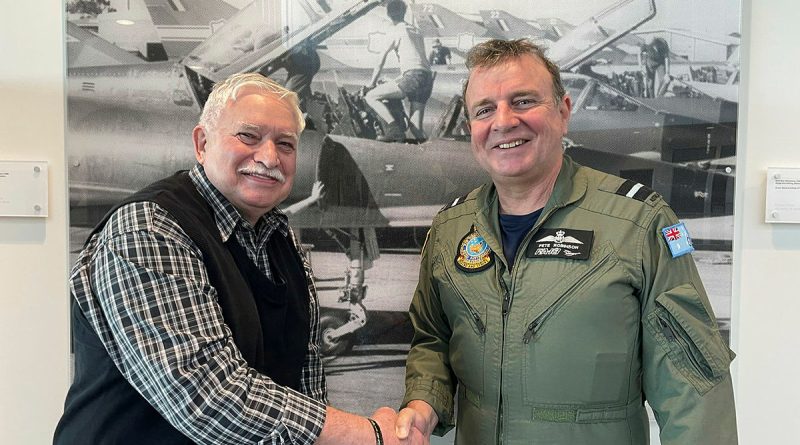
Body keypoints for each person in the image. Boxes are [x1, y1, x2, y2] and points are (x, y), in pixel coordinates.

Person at [394, 39, 738, 444]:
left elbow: (693, 394)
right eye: (484, 110)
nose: (503, 121)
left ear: (563, 112)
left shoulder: (637, 224)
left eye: (523, 101)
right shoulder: (451, 229)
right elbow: (432, 341)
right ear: (472, 127)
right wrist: (423, 402)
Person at [54, 73, 425, 445]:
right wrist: (367, 435)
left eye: (285, 144)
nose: (268, 157)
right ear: (202, 143)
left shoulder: (280, 240)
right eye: (248, 136)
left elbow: (305, 380)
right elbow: (205, 396)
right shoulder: (149, 229)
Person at [365, 0, 433, 142]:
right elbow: (417, 62)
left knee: (371, 96)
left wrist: (371, 84)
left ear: (388, 14)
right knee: (415, 128)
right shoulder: (415, 30)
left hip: (413, 77)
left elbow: (380, 60)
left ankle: (394, 131)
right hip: (426, 78)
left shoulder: (395, 30)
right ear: (405, 11)